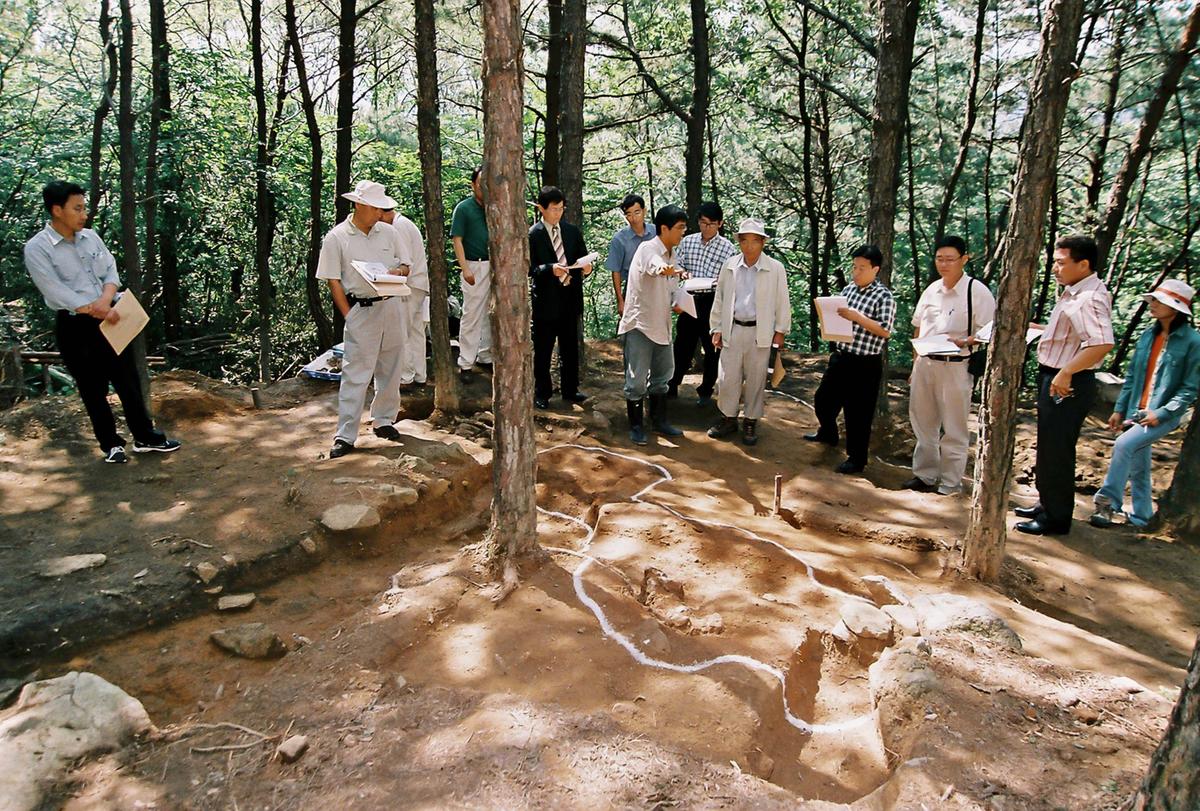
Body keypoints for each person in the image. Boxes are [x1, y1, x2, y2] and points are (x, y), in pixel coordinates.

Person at [23, 181, 181, 463]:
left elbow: (110, 270)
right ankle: (111, 445)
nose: (84, 214)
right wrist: (93, 309)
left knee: (127, 380)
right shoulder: (38, 248)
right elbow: (53, 289)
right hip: (75, 325)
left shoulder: (91, 237)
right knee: (92, 387)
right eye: (77, 208)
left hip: (111, 316)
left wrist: (105, 303)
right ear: (57, 210)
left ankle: (145, 437)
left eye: (84, 208)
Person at [1015, 235, 1114, 535]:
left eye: (1061, 262)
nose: (1055, 268)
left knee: (1057, 450)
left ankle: (1055, 519)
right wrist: (1042, 331)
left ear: (1083, 265)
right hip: (1057, 376)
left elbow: (1101, 343)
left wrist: (1067, 372)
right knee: (1048, 446)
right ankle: (1047, 504)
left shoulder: (1090, 297)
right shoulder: (1075, 292)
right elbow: (1073, 333)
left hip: (1066, 382)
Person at [1090, 279, 1199, 528]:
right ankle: (1142, 516)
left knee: (1123, 445)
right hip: (1134, 411)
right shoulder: (1148, 336)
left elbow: (1189, 388)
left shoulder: (1193, 342)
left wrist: (1161, 412)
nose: (1153, 305)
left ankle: (1107, 503)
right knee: (1138, 462)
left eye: (1160, 301)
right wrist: (1119, 410)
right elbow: (1131, 377)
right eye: (1153, 300)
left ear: (1177, 308)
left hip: (1165, 415)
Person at [317, 180, 412, 459]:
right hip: (362, 309)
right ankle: (345, 435)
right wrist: (349, 314)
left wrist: (397, 271)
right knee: (356, 373)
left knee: (392, 366)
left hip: (392, 305)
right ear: (359, 205)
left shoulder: (389, 233)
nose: (380, 213)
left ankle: (383, 420)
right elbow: (332, 279)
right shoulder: (337, 237)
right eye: (376, 208)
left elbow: (406, 264)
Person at [905, 236, 996, 495]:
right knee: (923, 422)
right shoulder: (932, 289)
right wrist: (915, 365)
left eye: (949, 259)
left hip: (956, 365)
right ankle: (924, 475)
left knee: (954, 426)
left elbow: (991, 331)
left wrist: (967, 340)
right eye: (939, 259)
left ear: (964, 259)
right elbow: (919, 325)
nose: (943, 264)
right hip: (925, 363)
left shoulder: (976, 291)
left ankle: (950, 483)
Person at [804, 245, 895, 475]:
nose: (856, 272)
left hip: (866, 362)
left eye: (862, 268)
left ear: (875, 269)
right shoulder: (849, 290)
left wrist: (857, 317)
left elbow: (885, 330)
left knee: (858, 413)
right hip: (842, 356)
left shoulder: (884, 296)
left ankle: (856, 459)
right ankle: (828, 432)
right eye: (854, 267)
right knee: (823, 399)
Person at [706, 218, 790, 446]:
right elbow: (720, 298)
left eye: (755, 241)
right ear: (739, 242)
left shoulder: (775, 269)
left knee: (756, 377)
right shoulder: (730, 265)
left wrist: (780, 330)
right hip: (732, 328)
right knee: (727, 377)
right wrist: (717, 328)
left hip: (759, 331)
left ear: (763, 242)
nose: (749, 246)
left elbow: (782, 300)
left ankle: (751, 420)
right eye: (745, 241)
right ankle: (728, 417)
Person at [618, 205, 688, 445]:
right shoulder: (648, 249)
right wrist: (665, 269)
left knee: (662, 377)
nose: (682, 233)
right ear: (664, 228)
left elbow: (670, 289)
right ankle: (636, 426)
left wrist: (678, 302)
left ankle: (659, 421)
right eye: (679, 228)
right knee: (636, 380)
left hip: (662, 325)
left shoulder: (673, 254)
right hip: (641, 324)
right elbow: (654, 265)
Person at [528, 186, 592, 409]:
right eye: (553, 209)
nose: (557, 213)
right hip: (546, 302)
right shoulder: (533, 234)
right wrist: (549, 269)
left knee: (570, 349)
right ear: (541, 209)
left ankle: (570, 389)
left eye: (561, 209)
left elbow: (582, 258)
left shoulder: (572, 231)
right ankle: (542, 393)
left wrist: (586, 267)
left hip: (569, 298)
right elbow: (529, 268)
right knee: (543, 351)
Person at [670, 201, 738, 406]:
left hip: (713, 301)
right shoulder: (687, 241)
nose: (706, 228)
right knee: (682, 345)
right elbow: (676, 264)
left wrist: (719, 282)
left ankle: (706, 389)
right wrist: (682, 272)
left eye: (711, 224)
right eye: (702, 223)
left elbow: (731, 277)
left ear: (720, 224)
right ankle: (672, 384)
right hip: (689, 297)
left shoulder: (728, 248)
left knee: (712, 349)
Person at [380, 206, 429, 387]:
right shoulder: (404, 224)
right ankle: (419, 373)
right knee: (415, 330)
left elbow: (404, 260)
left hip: (409, 285)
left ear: (385, 212)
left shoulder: (399, 227)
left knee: (402, 331)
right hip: (418, 284)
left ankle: (406, 375)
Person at [451, 167, 492, 372]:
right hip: (474, 264)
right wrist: (465, 268)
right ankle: (466, 361)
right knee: (472, 313)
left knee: (490, 313)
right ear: (473, 184)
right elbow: (456, 239)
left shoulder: (495, 206)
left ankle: (486, 354)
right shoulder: (464, 208)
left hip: (495, 265)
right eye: (480, 182)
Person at [605, 194, 656, 317]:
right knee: (632, 327)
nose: (633, 218)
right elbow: (615, 271)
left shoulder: (656, 232)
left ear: (644, 211)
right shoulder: (619, 239)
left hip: (656, 285)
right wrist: (620, 301)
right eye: (629, 214)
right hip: (632, 287)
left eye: (637, 212)